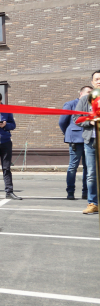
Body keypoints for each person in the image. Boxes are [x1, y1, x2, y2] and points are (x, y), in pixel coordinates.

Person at [74, 70, 100, 215]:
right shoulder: (85, 100)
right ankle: (93, 203)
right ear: (92, 82)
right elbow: (76, 119)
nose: (99, 81)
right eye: (97, 79)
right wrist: (90, 121)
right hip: (90, 141)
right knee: (91, 173)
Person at [60, 85, 91, 200]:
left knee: (88, 167)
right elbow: (62, 122)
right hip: (76, 140)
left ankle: (86, 192)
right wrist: (69, 133)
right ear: (81, 93)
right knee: (73, 166)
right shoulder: (70, 104)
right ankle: (70, 191)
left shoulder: (91, 106)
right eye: (88, 92)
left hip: (89, 139)